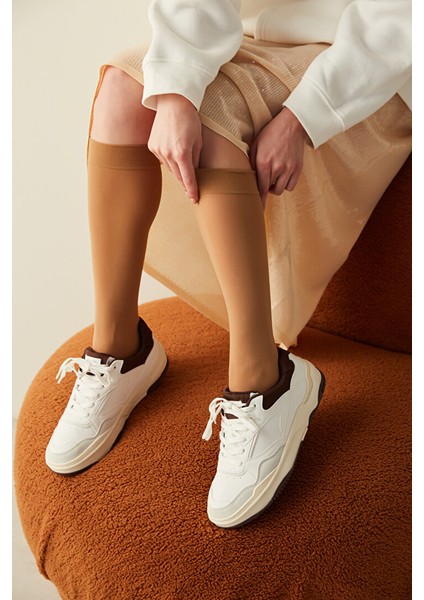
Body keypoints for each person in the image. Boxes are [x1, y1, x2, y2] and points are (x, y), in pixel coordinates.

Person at [45, 0, 411, 529]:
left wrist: (302, 119)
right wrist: (175, 95)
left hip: (370, 63)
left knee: (213, 118)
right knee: (122, 90)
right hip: (256, 41)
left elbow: (400, 21)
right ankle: (121, 349)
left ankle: (266, 381)